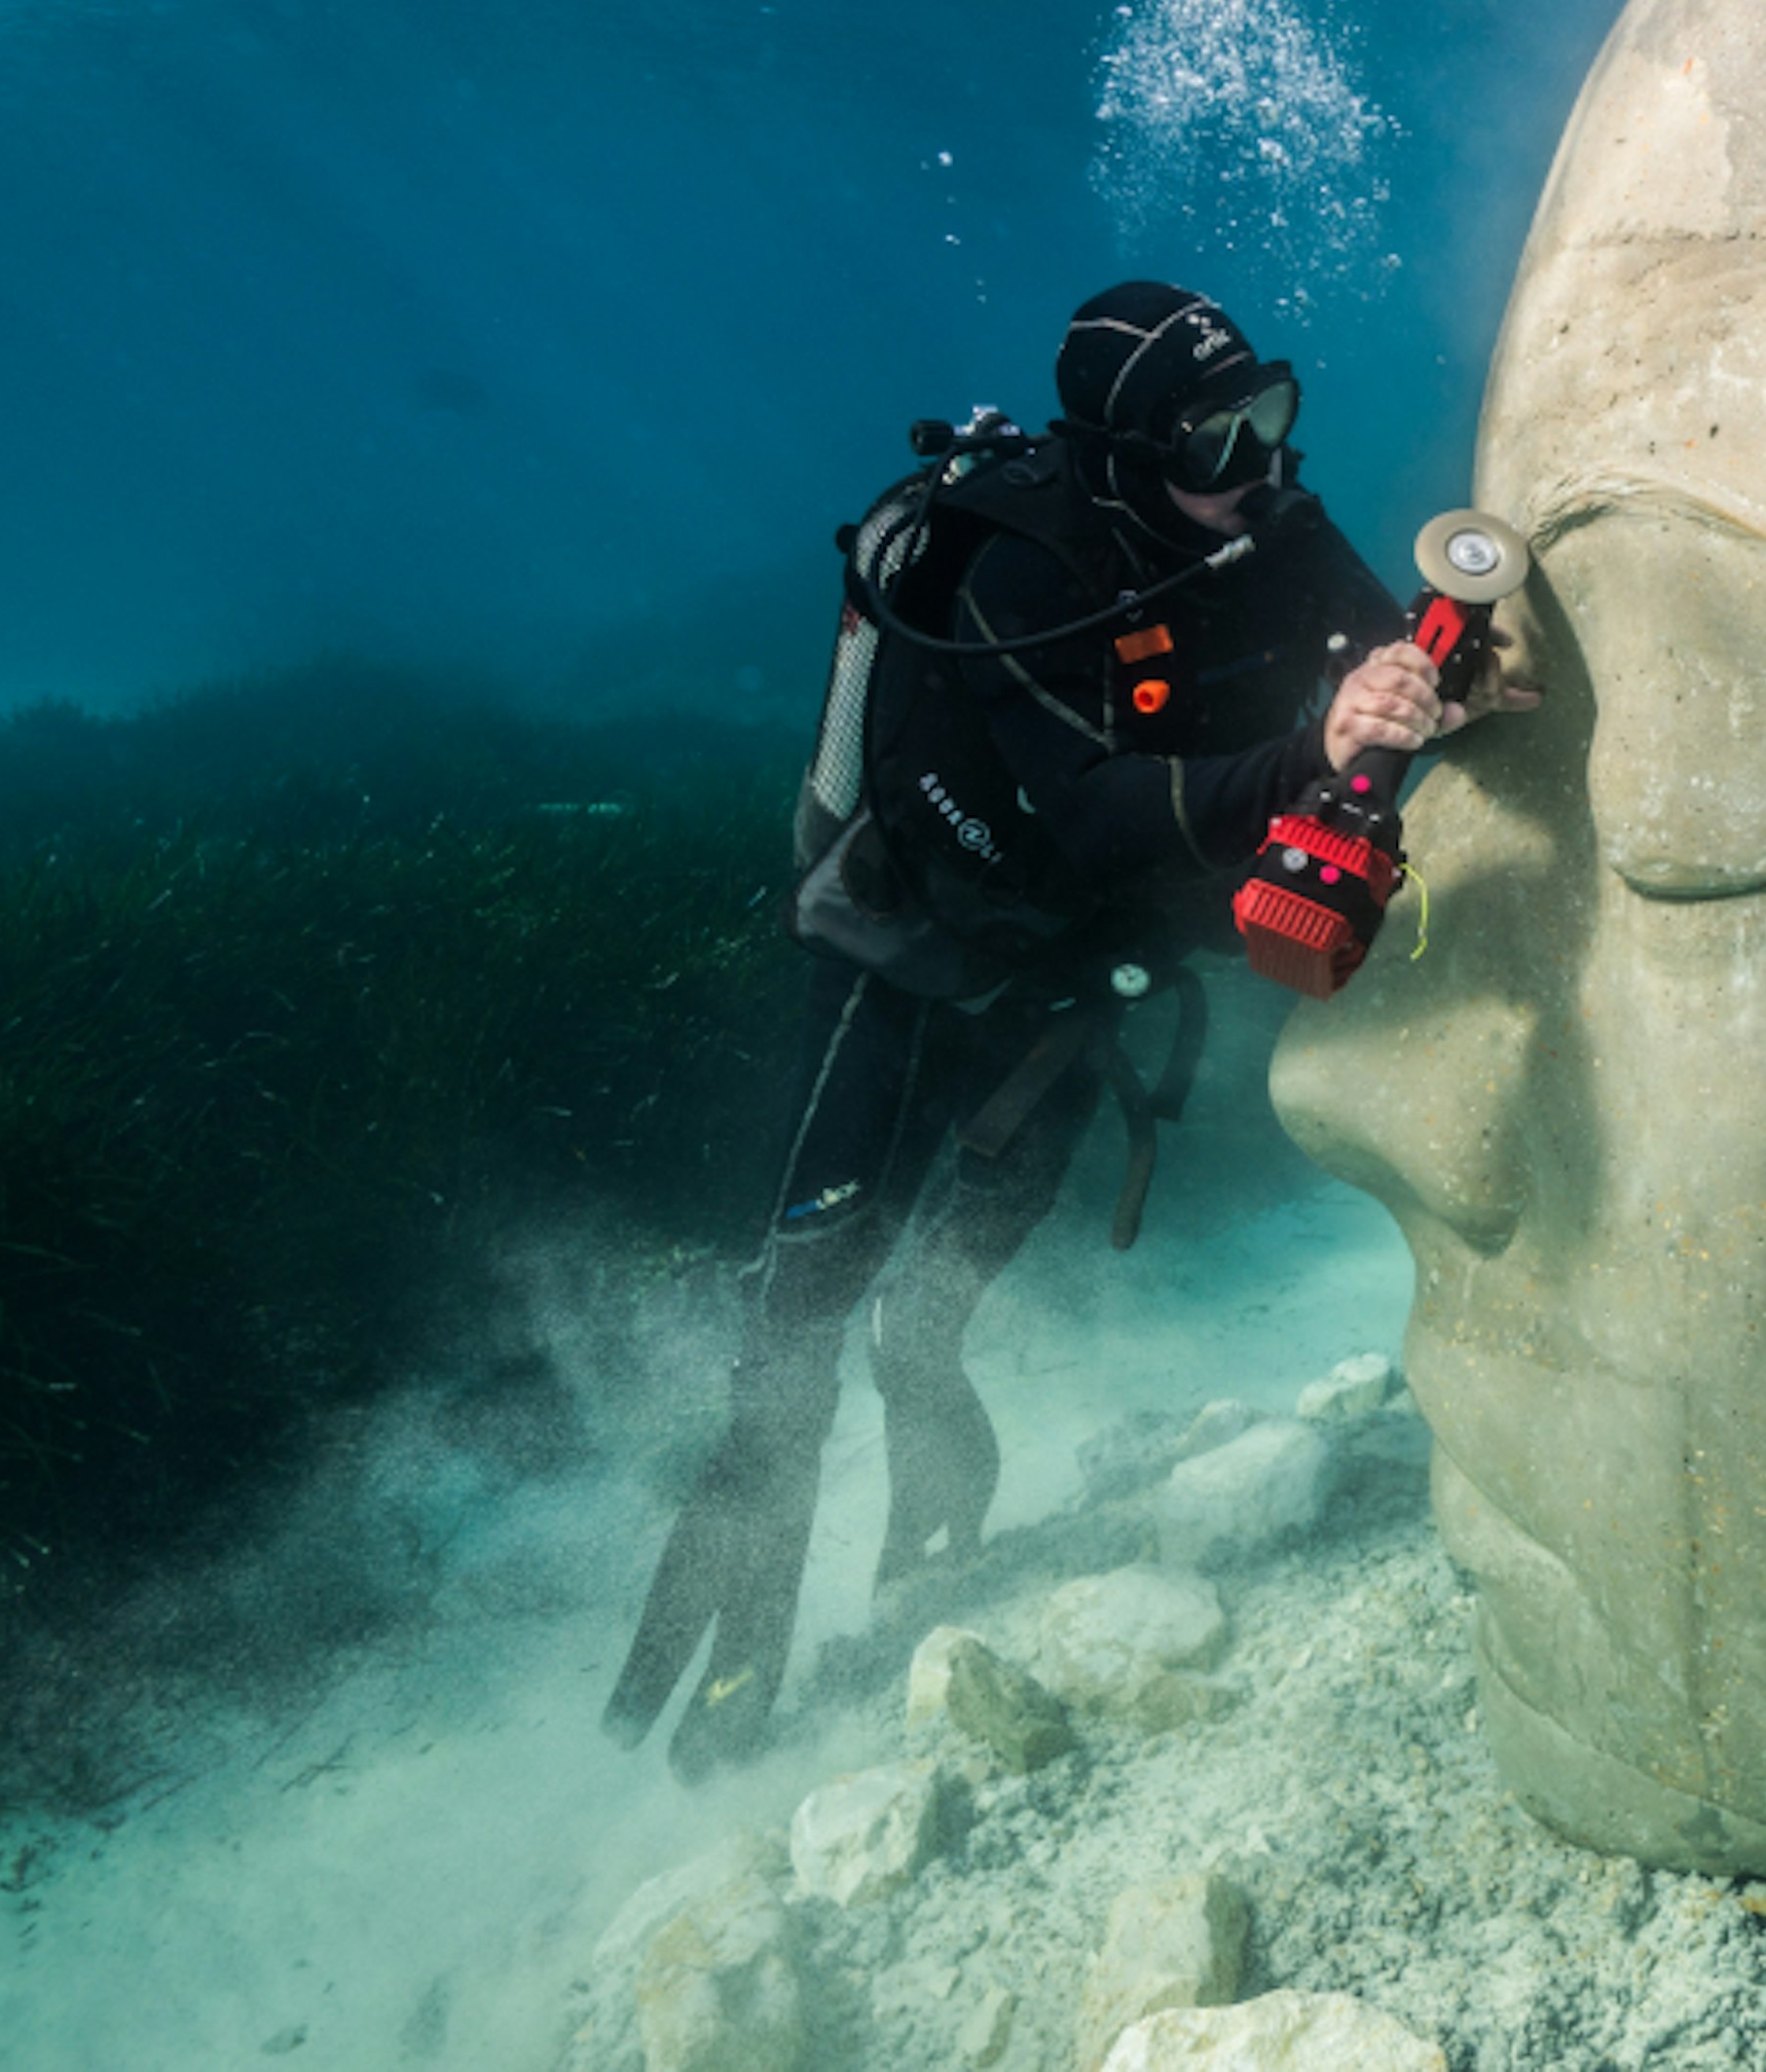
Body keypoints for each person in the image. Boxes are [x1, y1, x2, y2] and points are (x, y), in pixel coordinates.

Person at [607, 279, 1531, 1780]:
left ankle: (929, 1510)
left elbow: (1388, 650)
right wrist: (1317, 744)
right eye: (1213, 437)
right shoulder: (1014, 569)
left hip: (1065, 991)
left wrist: (1441, 681)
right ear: (1114, 455)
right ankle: (730, 1627)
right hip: (903, 964)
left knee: (933, 1308)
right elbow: (1094, 810)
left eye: (1271, 415)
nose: (1258, 462)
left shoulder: (1265, 522)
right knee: (797, 1325)